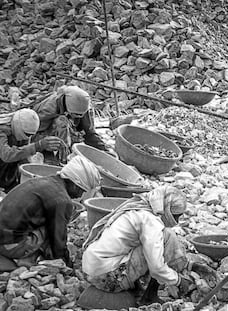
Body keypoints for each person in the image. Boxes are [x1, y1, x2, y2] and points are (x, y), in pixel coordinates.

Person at [82, 186, 212, 304]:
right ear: (166, 208)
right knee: (164, 240)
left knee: (160, 241)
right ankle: (149, 296)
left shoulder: (140, 209)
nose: (176, 222)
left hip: (92, 269)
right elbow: (156, 267)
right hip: (109, 279)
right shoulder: (150, 221)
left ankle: (142, 286)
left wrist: (191, 266)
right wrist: (178, 280)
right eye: (176, 216)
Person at [0, 155, 101, 267]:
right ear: (75, 185)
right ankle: (29, 259)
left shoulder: (44, 181)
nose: (80, 195)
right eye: (82, 191)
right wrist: (66, 263)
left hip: (4, 234)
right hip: (9, 245)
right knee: (51, 229)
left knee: (51, 222)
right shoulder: (62, 200)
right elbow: (58, 240)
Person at [32, 85, 108, 164]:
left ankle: (66, 152)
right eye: (75, 114)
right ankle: (59, 158)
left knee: (68, 130)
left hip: (62, 132)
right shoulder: (49, 108)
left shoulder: (82, 106)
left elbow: (89, 132)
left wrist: (103, 150)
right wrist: (45, 144)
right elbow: (34, 133)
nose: (78, 117)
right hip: (40, 135)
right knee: (62, 122)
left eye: (81, 115)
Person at [0, 108, 62, 193]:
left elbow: (23, 154)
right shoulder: (2, 131)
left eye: (31, 135)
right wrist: (37, 146)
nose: (28, 138)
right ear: (18, 125)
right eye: (27, 134)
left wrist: (32, 170)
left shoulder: (20, 130)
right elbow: (7, 155)